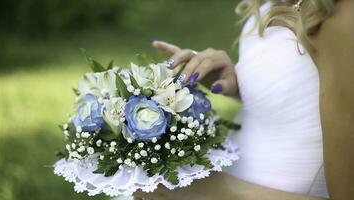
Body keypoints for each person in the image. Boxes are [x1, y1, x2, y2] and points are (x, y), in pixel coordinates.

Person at [134, 0, 354, 199]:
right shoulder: (271, 3)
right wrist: (237, 82)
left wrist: (218, 189)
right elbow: (300, 102)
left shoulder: (342, 16)